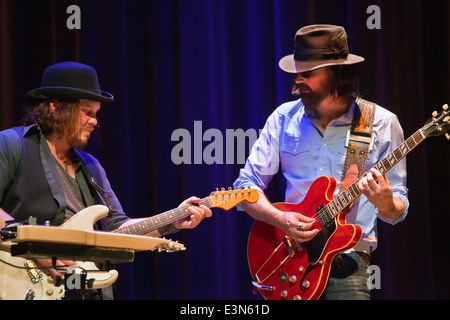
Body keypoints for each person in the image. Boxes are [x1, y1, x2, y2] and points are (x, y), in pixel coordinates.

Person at [0, 61, 212, 299]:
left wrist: (172, 220)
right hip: (24, 284)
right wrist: (36, 249)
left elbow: (117, 230)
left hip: (82, 289)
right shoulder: (12, 145)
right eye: (87, 112)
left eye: (96, 114)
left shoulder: (92, 166)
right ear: (55, 107)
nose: (94, 121)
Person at [234, 24, 409, 300]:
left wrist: (385, 201)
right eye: (297, 72)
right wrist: (280, 219)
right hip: (288, 260)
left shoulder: (382, 124)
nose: (298, 80)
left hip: (348, 265)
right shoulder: (283, 118)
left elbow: (396, 210)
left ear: (337, 74)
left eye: (309, 73)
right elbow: (244, 186)